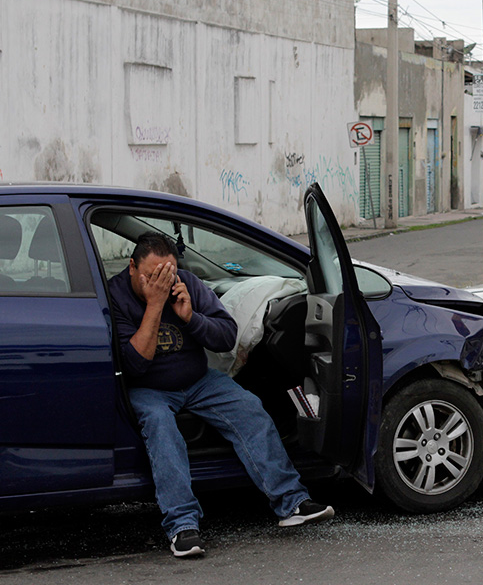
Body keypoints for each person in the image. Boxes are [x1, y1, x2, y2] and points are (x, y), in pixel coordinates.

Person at [109, 232, 333, 558]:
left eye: (167, 274)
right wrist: (156, 305)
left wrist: (190, 317)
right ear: (132, 267)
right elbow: (135, 364)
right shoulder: (116, 295)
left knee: (249, 408)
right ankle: (182, 526)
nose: (160, 282)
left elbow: (226, 337)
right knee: (162, 429)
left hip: (198, 380)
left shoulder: (187, 283)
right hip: (149, 389)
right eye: (151, 276)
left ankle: (291, 502)